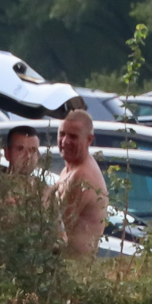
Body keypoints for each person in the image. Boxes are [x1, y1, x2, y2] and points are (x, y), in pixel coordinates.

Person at [54, 108, 109, 257]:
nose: (65, 141)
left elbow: (57, 229)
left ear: (89, 140)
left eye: (73, 136)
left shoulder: (82, 176)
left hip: (76, 267)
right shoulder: (68, 170)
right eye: (62, 134)